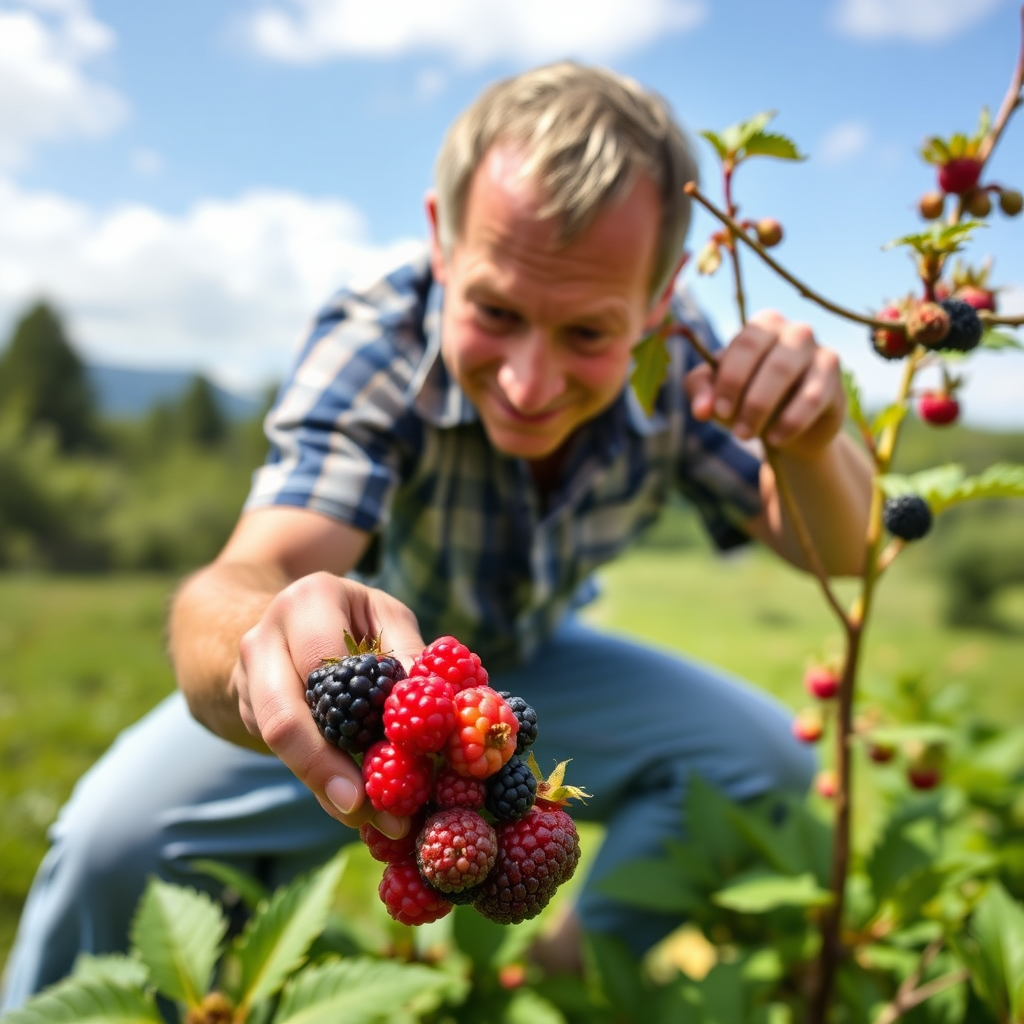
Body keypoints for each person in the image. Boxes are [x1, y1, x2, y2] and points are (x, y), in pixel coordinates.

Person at [0, 61, 872, 1009]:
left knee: (769, 767)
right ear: (442, 244)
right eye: (496, 313)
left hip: (525, 677)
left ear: (659, 298)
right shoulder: (377, 343)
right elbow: (247, 572)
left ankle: (563, 978)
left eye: (587, 335)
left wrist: (816, 442)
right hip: (361, 701)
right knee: (113, 841)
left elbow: (844, 552)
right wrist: (265, 654)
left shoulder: (675, 363)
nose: (532, 383)